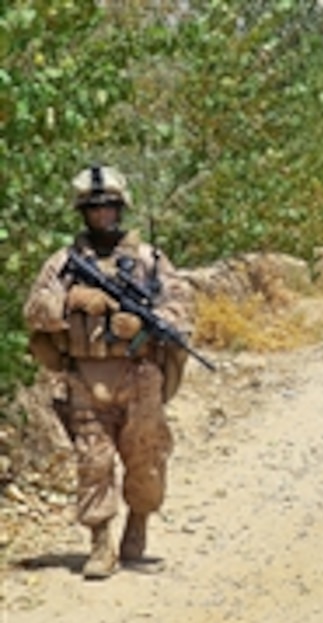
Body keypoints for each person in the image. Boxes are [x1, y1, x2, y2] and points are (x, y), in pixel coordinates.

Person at [22, 165, 194, 580]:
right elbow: (33, 311)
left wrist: (145, 321)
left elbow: (183, 312)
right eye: (94, 209)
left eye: (109, 207)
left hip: (140, 377)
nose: (102, 215)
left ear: (122, 209)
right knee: (93, 462)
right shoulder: (64, 264)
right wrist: (72, 302)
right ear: (83, 213)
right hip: (86, 378)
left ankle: (138, 524)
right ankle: (100, 542)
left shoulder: (150, 260)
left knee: (146, 461)